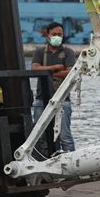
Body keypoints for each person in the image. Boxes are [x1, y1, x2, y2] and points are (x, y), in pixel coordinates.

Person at [31, 22, 76, 152]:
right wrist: (54, 68)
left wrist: (45, 72)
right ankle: (43, 161)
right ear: (48, 35)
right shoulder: (39, 52)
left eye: (60, 34)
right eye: (54, 34)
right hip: (41, 99)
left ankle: (72, 165)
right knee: (39, 135)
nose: (57, 36)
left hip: (63, 100)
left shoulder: (68, 52)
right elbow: (34, 69)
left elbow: (71, 72)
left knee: (65, 136)